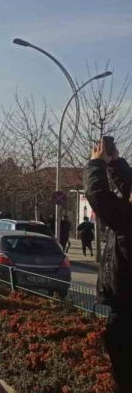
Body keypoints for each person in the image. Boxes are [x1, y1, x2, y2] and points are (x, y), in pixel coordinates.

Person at [84, 139, 132, 391]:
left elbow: (98, 195)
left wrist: (97, 163)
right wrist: (114, 163)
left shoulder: (127, 221)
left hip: (126, 308)